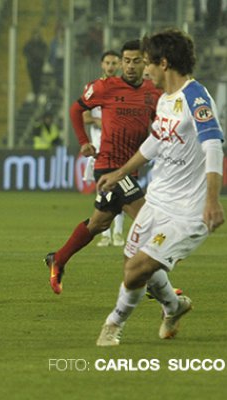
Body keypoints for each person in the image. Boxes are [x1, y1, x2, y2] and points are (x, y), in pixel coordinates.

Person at [95, 29, 224, 346]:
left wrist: (212, 200)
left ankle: (113, 324)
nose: (145, 69)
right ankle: (174, 306)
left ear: (164, 63)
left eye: (149, 62)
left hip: (187, 212)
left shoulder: (195, 98)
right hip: (157, 201)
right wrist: (120, 172)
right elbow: (155, 141)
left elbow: (214, 147)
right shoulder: (166, 100)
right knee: (133, 266)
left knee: (136, 271)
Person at [44, 40, 161, 295]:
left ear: (145, 63)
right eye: (126, 61)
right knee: (147, 220)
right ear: (121, 62)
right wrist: (84, 142)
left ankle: (59, 258)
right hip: (108, 167)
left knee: (99, 224)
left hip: (129, 169)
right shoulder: (105, 87)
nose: (130, 66)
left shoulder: (153, 92)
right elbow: (76, 110)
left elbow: (160, 124)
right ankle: (156, 284)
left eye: (136, 61)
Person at [81, 49, 126, 247]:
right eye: (107, 63)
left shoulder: (125, 89)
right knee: (103, 191)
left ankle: (117, 233)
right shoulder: (92, 88)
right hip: (99, 148)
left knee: (121, 189)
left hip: (119, 147)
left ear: (119, 65)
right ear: (102, 64)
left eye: (114, 63)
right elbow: (84, 116)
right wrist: (100, 120)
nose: (110, 66)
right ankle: (105, 233)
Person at [23, 29, 48, 102]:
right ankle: (34, 93)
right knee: (33, 79)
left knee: (39, 79)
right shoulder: (29, 44)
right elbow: (25, 51)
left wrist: (40, 57)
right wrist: (31, 57)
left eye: (38, 35)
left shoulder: (42, 44)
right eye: (35, 35)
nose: (36, 37)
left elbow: (45, 52)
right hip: (31, 65)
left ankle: (38, 93)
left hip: (39, 65)